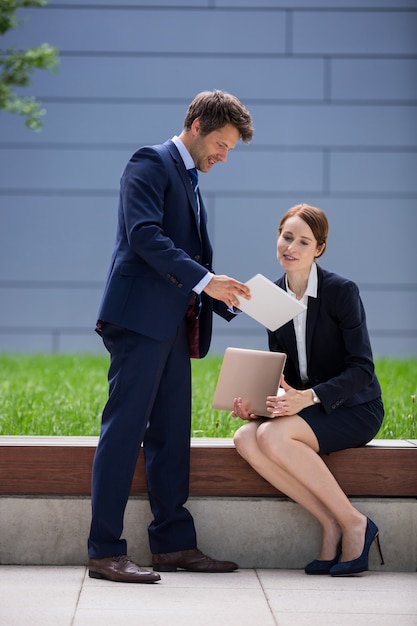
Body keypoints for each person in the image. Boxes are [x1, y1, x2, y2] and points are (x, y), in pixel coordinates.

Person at [88, 90, 254, 583]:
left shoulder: (188, 177)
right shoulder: (150, 162)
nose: (223, 156)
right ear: (198, 125)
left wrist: (216, 292)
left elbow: (179, 255)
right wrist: (206, 279)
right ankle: (104, 551)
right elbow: (144, 235)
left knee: (171, 436)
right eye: (221, 145)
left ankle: (173, 544)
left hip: (174, 325)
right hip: (139, 322)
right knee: (123, 433)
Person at [232, 204, 385, 577]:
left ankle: (354, 523)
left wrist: (309, 397)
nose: (292, 248)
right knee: (245, 437)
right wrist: (259, 404)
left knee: (274, 437)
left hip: (354, 407)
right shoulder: (270, 296)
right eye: (287, 237)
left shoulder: (340, 291)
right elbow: (282, 370)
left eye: (304, 241)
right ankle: (329, 522)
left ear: (319, 249)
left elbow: (362, 369)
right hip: (306, 408)